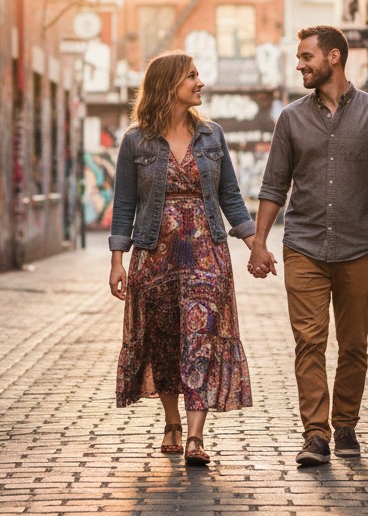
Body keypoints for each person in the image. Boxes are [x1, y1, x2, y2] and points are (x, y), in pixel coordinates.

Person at [247, 25, 368, 467]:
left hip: (359, 247)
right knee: (309, 342)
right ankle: (315, 435)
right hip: (303, 245)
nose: (299, 65)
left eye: (306, 57)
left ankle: (345, 425)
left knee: (354, 344)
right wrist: (259, 243)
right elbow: (273, 186)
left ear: (333, 57)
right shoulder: (291, 118)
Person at [109, 51, 257, 467]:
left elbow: (230, 195)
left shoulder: (213, 135)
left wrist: (253, 242)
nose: (200, 82)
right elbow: (123, 204)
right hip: (154, 255)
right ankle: (172, 422)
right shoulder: (136, 140)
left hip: (207, 253)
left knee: (201, 337)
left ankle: (195, 437)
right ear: (169, 84)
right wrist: (117, 261)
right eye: (192, 76)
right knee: (164, 340)